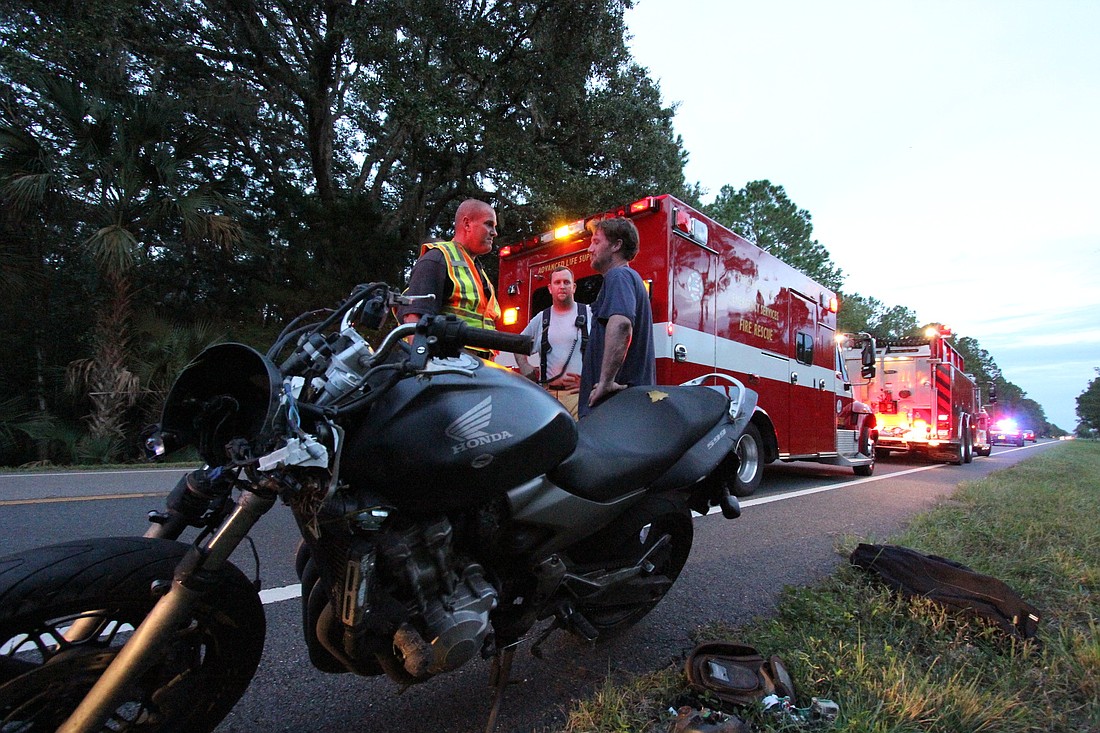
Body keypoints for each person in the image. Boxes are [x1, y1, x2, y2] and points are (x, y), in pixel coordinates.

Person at [397, 199, 501, 356]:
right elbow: (414, 317)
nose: (494, 232)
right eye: (488, 224)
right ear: (467, 224)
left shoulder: (478, 271)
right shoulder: (437, 258)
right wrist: (422, 362)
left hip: (475, 367)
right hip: (449, 365)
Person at [578, 217, 655, 417]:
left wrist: (605, 383)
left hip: (614, 408)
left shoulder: (619, 276)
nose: (589, 249)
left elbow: (621, 325)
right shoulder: (627, 279)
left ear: (616, 245)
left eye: (596, 241)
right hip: (623, 407)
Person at [515, 266, 591, 419]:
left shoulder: (589, 314)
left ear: (573, 287)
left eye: (566, 282)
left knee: (580, 440)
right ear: (550, 288)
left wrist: (590, 381)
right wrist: (527, 369)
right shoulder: (542, 319)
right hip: (548, 397)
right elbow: (518, 345)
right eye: (557, 282)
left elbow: (605, 350)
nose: (562, 286)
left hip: (579, 397)